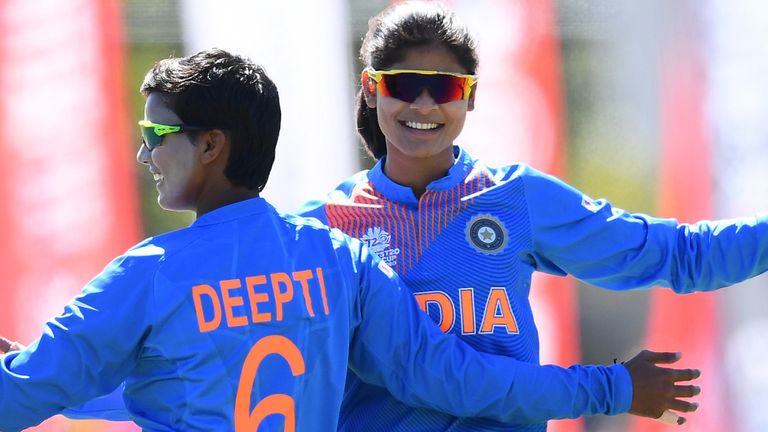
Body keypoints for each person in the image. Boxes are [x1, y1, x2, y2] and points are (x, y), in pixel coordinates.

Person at [0, 49, 699, 431]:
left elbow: (24, 396)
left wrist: (35, 372)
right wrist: (609, 386)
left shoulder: (147, 274)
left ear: (211, 145)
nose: (144, 155)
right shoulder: (338, 261)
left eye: (156, 136)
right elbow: (457, 379)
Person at [294, 1, 768, 431]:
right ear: (371, 89)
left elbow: (678, 255)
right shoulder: (323, 229)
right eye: (403, 85)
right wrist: (613, 387)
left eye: (444, 87)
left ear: (471, 97)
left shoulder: (515, 198)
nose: (423, 104)